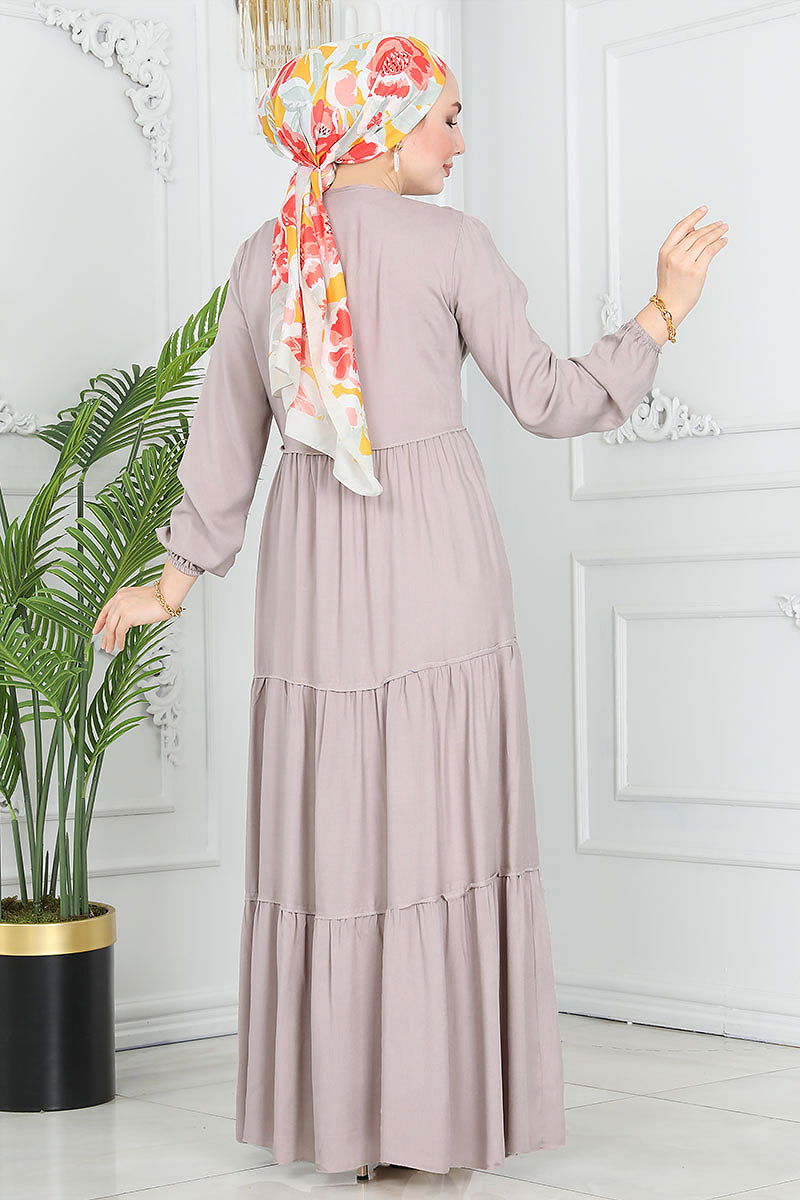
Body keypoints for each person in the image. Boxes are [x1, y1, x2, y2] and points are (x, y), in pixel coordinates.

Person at [93, 30, 728, 1179]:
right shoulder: (448, 244)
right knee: (436, 819)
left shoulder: (265, 254)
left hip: (312, 562)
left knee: (339, 827)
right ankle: (431, 1122)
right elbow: (547, 398)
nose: (458, 140)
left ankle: (345, 1125)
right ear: (383, 127)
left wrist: (170, 584)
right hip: (433, 550)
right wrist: (660, 311)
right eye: (445, 116)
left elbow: (225, 442)